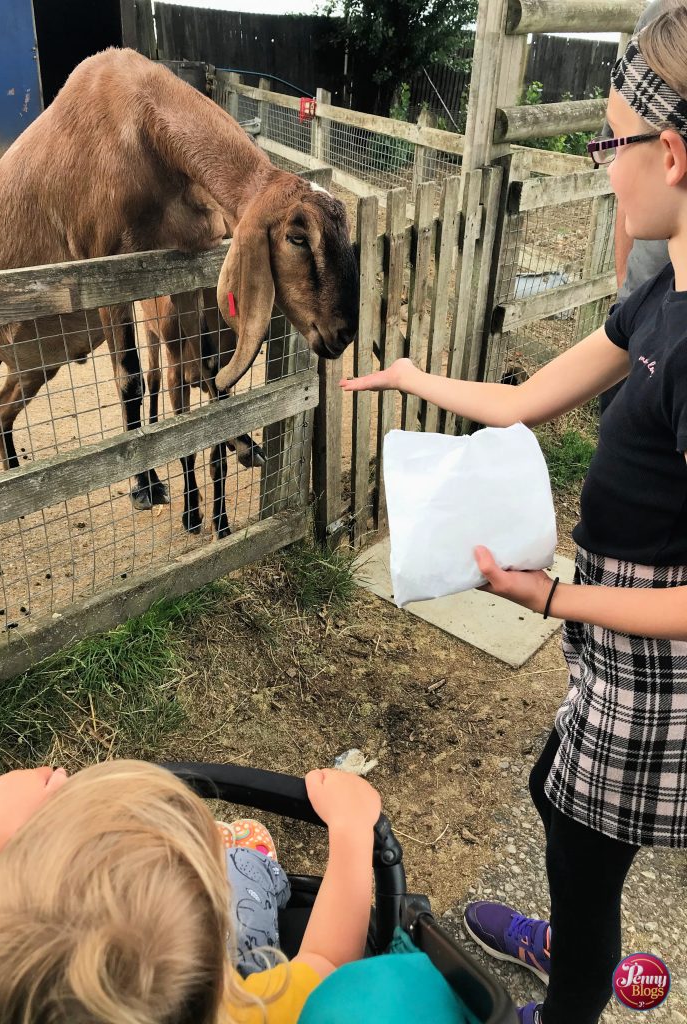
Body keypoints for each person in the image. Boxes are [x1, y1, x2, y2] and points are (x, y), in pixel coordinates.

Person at [342, 9, 687, 1023]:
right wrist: (421, 378)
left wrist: (549, 593)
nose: (603, 165)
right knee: (562, 801)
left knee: (577, 833)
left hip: (650, 652)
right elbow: (536, 396)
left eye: (609, 142)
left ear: (670, 153)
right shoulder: (662, 292)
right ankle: (578, 940)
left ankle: (571, 990)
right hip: (605, 620)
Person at [0, 759, 381, 1023]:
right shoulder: (247, 1012)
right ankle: (243, 860)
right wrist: (351, 829)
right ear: (214, 980)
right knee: (244, 861)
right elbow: (328, 962)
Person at [598, 0, 671, 414]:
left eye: (615, 150)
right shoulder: (656, 16)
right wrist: (628, 286)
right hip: (640, 304)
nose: (609, 170)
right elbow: (525, 400)